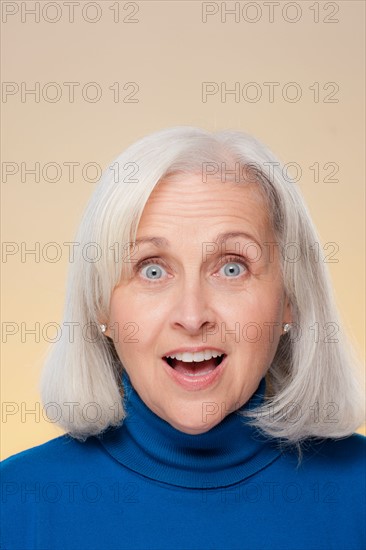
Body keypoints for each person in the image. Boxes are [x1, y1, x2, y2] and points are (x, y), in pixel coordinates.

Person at [1, 126, 365, 550]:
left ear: (290, 298)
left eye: (232, 268)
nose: (192, 317)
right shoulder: (16, 505)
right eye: (152, 269)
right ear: (100, 306)